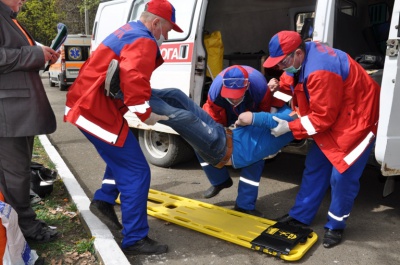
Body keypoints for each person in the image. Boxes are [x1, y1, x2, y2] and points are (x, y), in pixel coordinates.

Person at [64, 0, 183, 255]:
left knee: (122, 157)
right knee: (137, 172)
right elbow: (133, 77)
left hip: (87, 105)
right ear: (155, 23)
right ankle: (135, 238)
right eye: (168, 29)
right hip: (96, 111)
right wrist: (146, 115)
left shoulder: (128, 30)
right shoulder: (144, 39)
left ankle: (105, 200)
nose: (168, 35)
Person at [263, 30, 380, 248]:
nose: (279, 67)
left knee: (342, 177)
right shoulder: (302, 58)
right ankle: (301, 216)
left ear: (298, 53)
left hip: (358, 121)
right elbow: (292, 81)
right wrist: (279, 85)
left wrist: (290, 127)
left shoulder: (320, 70)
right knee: (315, 165)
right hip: (336, 114)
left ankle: (335, 226)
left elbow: (322, 117)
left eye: (282, 62)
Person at [0, 0, 60, 243]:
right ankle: (27, 229)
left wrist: (42, 54)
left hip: (16, 110)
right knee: (15, 175)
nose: (23, 1)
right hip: (8, 112)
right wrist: (35, 53)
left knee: (17, 173)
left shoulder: (9, 16)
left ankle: (20, 225)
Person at [199, 65, 287, 217]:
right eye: (230, 95)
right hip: (225, 116)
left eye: (237, 95)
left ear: (246, 86)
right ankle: (219, 181)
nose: (233, 98)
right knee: (203, 143)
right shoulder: (215, 91)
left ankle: (244, 204)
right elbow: (213, 116)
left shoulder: (259, 88)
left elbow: (262, 116)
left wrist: (249, 126)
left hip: (251, 116)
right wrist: (223, 133)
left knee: (255, 155)